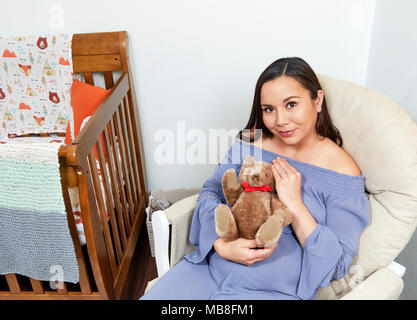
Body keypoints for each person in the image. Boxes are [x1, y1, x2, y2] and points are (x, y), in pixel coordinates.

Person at [140, 57, 370, 300]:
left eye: (291, 104)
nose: (280, 121)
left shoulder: (342, 171)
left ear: (318, 100)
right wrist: (221, 245)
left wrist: (295, 204)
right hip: (208, 271)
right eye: (269, 109)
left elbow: (336, 266)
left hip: (272, 291)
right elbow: (211, 191)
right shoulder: (249, 144)